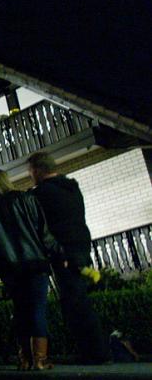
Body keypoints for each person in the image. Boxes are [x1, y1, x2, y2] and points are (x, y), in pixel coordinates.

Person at [27, 152, 111, 363]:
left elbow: (41, 226)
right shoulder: (71, 188)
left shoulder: (42, 194)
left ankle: (93, 353)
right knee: (79, 299)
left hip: (63, 252)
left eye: (30, 172)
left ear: (37, 170)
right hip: (81, 245)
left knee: (74, 303)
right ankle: (96, 351)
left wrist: (57, 252)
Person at [0, 169, 64, 370]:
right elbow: (43, 231)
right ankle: (40, 359)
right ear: (7, 180)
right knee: (37, 309)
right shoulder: (27, 199)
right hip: (35, 263)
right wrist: (59, 253)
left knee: (21, 310)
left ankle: (24, 358)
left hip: (10, 268)